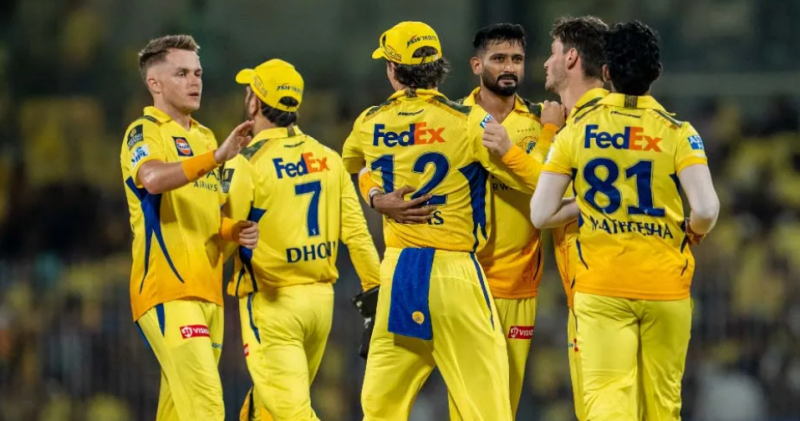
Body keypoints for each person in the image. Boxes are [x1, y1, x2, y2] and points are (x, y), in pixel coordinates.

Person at [342, 21, 551, 421]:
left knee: (380, 409)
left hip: (399, 273)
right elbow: (537, 181)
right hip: (456, 272)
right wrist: (543, 138)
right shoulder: (469, 120)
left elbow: (353, 162)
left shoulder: (369, 121)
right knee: (487, 409)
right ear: (440, 67)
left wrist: (376, 197)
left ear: (392, 69)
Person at [531, 21, 720, 421]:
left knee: (607, 402)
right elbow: (706, 209)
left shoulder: (576, 130)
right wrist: (693, 230)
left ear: (606, 72)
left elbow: (541, 213)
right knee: (663, 406)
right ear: (656, 72)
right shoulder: (679, 132)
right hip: (666, 287)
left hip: (601, 287)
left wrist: (586, 203)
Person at [222, 59, 381, 421]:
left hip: (273, 303)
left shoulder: (246, 163)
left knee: (291, 412)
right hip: (320, 304)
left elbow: (224, 237)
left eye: (249, 93)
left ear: (254, 103)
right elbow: (357, 235)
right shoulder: (329, 158)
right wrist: (375, 298)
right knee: (268, 407)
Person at [120, 34, 258, 421]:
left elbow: (204, 215)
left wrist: (232, 231)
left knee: (178, 412)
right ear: (155, 83)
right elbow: (151, 179)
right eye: (181, 74)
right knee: (206, 407)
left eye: (197, 73)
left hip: (208, 294)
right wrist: (215, 158)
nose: (194, 81)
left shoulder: (204, 136)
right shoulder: (144, 131)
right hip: (168, 291)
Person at [542, 16, 610, 421]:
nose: (544, 63)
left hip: (601, 293)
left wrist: (549, 136)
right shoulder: (605, 119)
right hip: (587, 292)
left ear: (570, 58)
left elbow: (542, 208)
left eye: (552, 53)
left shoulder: (586, 127)